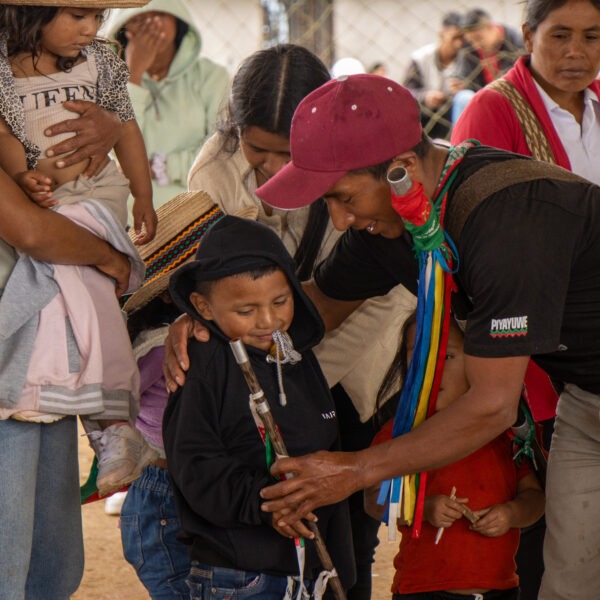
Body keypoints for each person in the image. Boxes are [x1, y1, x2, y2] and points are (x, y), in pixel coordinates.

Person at [220, 73, 600, 600]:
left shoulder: (507, 220)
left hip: (581, 396)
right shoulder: (399, 219)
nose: (339, 218)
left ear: (401, 170)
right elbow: (315, 310)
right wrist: (216, 324)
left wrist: (355, 470)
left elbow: (492, 405)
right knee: (572, 585)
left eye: (343, 196)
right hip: (587, 398)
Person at [186, 43, 416, 600]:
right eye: (258, 149)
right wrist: (271, 373)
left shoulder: (356, 172)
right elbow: (209, 280)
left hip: (348, 372)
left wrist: (302, 379)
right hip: (259, 375)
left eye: (287, 154)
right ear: (235, 128)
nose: (269, 166)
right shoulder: (214, 173)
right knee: (265, 521)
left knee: (346, 535)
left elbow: (378, 297)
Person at [0, 0, 159, 498]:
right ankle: (107, 423)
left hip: (95, 195)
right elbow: (3, 133)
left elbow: (125, 125)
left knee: (72, 268)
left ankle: (105, 419)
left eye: (98, 16)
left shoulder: (105, 60)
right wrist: (23, 177)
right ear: (31, 14)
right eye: (76, 16)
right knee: (68, 291)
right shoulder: (2, 64)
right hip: (43, 205)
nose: (91, 29)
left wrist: (143, 194)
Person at [163, 215, 356, 598]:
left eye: (280, 302)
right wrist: (268, 503)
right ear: (202, 305)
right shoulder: (203, 364)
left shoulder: (295, 353)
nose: (268, 320)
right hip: (240, 575)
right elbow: (196, 466)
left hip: (306, 569)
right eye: (246, 310)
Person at [365, 314, 545, 599]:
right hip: (424, 591)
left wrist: (511, 514)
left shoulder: (503, 432)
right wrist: (423, 509)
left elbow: (535, 499)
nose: (431, 369)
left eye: (447, 356)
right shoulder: (399, 434)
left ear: (479, 364)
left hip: (501, 589)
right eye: (419, 354)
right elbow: (374, 500)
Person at [113, 191, 223, 598]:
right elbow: (121, 397)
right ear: (167, 293)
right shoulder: (160, 348)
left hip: (189, 486)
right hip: (166, 492)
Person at [452, 0, 600, 187]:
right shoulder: (491, 110)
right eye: (560, 36)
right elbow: (477, 207)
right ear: (529, 37)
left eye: (592, 37)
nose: (576, 52)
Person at [106, 0, 229, 208]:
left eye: (159, 15)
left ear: (178, 21)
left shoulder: (210, 77)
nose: (149, 25)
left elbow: (222, 153)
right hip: (127, 211)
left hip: (194, 207)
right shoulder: (110, 81)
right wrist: (132, 77)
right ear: (123, 29)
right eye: (137, 18)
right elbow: (114, 150)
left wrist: (163, 166)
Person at [450, 8, 524, 122]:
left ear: (491, 27)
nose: (475, 45)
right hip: (480, 100)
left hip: (512, 99)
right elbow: (464, 77)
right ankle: (460, 139)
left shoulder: (516, 41)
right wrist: (460, 84)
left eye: (478, 38)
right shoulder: (468, 49)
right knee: (463, 97)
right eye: (471, 41)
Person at [403, 11, 465, 139]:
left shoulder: (467, 58)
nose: (459, 43)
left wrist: (463, 88)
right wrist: (426, 96)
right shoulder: (421, 58)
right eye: (455, 38)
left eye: (462, 38)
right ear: (441, 34)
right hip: (424, 116)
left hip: (454, 114)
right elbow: (407, 91)